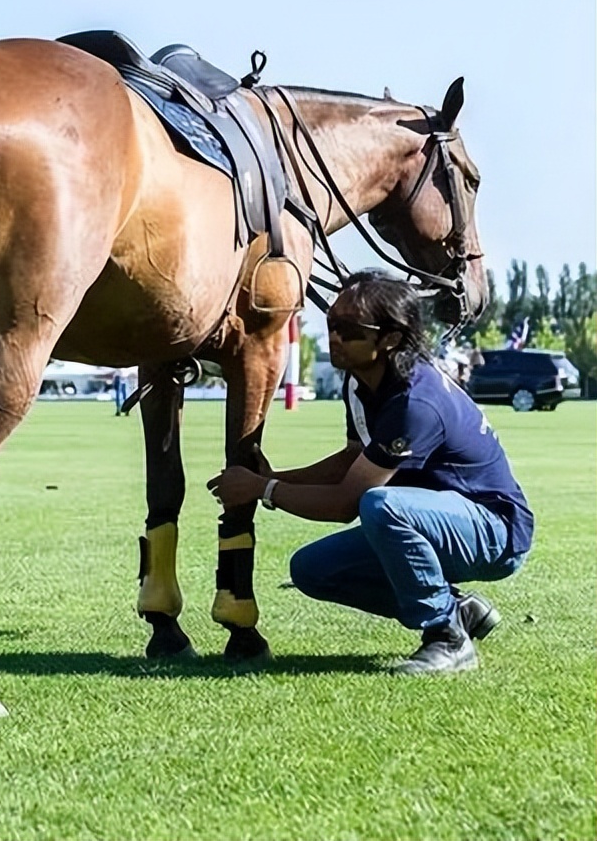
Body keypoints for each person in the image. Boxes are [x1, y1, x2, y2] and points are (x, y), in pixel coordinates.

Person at [207, 270, 534, 675]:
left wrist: (263, 489)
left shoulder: (415, 401)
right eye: (331, 322)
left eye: (348, 328)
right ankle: (456, 608)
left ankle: (447, 637)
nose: (334, 336)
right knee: (312, 570)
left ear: (390, 339)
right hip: (438, 519)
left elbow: (348, 502)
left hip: (495, 531)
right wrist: (278, 478)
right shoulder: (361, 381)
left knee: (381, 505)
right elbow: (351, 461)